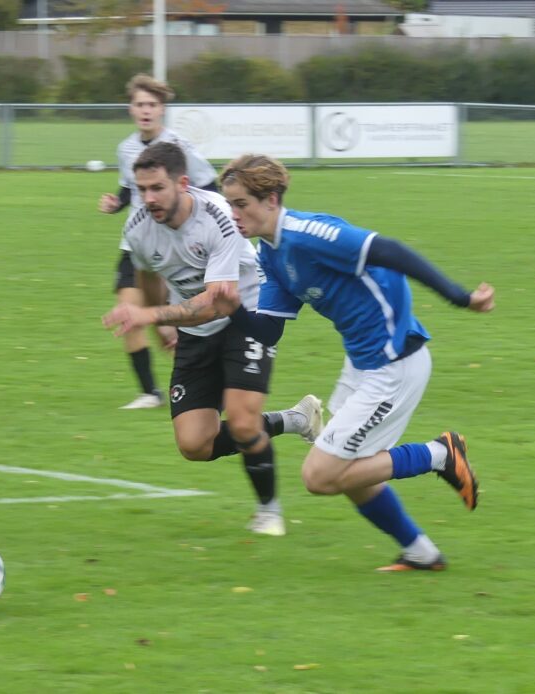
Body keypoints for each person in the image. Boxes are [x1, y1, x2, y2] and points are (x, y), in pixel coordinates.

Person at [208, 153, 495, 572]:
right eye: (229, 204)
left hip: (395, 363)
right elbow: (268, 332)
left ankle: (439, 454)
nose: (233, 214)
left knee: (320, 475)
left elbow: (391, 251)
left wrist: (460, 297)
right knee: (351, 470)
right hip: (362, 363)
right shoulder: (269, 253)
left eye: (241, 204)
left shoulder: (307, 234)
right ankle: (421, 553)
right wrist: (233, 310)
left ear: (270, 199)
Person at [102, 142, 323, 537]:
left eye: (157, 188)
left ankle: (268, 511)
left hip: (246, 315)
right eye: (142, 190)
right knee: (194, 444)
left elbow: (216, 303)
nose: (148, 199)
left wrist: (149, 315)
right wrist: (161, 321)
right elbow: (148, 276)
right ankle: (295, 420)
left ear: (182, 183)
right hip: (193, 329)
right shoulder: (137, 228)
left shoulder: (219, 216)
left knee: (242, 422)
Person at [98, 73, 219, 410]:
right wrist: (116, 203)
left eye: (152, 104)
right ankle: (150, 392)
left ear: (162, 109)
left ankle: (203, 379)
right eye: (140, 104)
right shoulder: (126, 148)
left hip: (177, 246)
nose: (146, 111)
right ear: (131, 109)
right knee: (129, 312)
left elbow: (209, 187)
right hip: (136, 246)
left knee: (182, 320)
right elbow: (129, 189)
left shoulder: (178, 147)